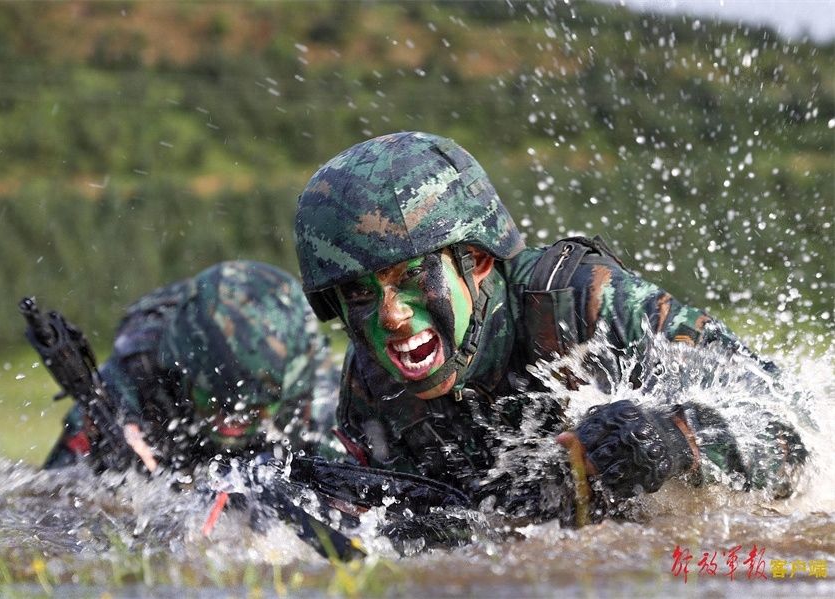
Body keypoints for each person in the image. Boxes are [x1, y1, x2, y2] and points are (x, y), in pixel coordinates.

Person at [293, 131, 807, 524]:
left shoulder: (585, 304)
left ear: (476, 260)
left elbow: (791, 429)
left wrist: (675, 441)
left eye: (410, 278)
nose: (391, 315)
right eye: (360, 293)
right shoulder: (373, 386)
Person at [43, 260, 337, 475]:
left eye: (255, 407)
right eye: (214, 401)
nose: (232, 420)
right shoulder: (138, 370)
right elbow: (50, 499)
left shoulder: (317, 394)